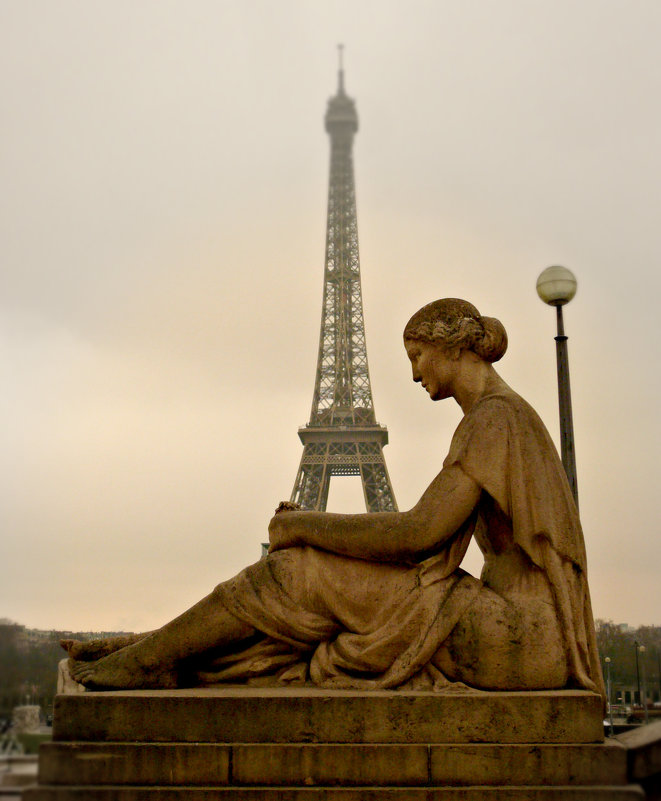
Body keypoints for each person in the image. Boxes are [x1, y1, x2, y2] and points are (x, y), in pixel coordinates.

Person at [64, 298, 604, 697]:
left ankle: (155, 658)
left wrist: (304, 526)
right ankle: (152, 650)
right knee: (306, 583)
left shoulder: (496, 419)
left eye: (417, 355)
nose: (414, 372)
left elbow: (420, 534)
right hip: (516, 634)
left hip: (516, 639)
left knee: (296, 571)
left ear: (453, 347)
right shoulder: (499, 416)